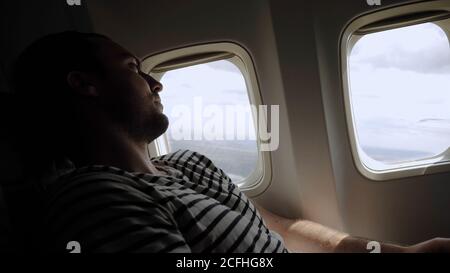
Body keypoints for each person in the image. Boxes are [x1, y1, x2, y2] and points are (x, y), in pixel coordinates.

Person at [11, 31, 450, 253]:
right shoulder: (93, 197)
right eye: (132, 67)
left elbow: (280, 229)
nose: (154, 83)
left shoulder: (189, 165)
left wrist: (397, 252)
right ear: (85, 84)